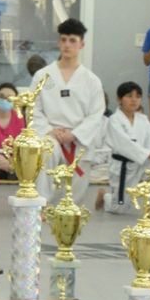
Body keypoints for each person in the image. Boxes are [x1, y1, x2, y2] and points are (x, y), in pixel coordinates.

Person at [31, 18, 107, 209]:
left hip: (79, 138)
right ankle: (42, 206)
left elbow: (96, 114)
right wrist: (50, 131)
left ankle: (66, 215)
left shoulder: (92, 80)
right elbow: (33, 108)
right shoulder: (43, 75)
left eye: (72, 40)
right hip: (51, 135)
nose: (67, 45)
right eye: (63, 40)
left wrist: (74, 134)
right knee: (46, 153)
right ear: (58, 42)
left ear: (82, 44)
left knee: (73, 200)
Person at [106, 80, 150, 213]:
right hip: (122, 166)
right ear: (119, 99)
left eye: (138, 96)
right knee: (119, 208)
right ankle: (105, 197)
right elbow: (124, 145)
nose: (134, 100)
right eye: (129, 96)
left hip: (142, 163)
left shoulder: (143, 119)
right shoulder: (114, 120)